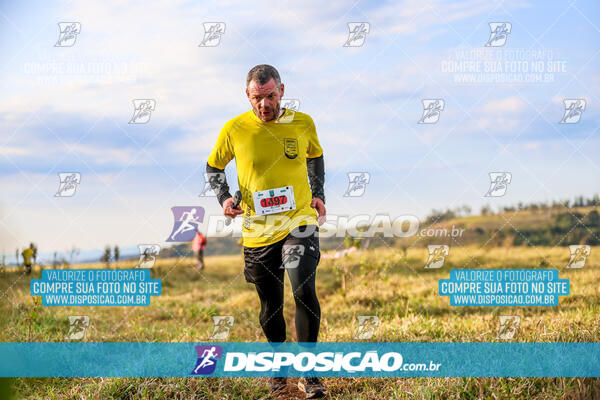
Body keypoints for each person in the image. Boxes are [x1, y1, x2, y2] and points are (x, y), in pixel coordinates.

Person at [206, 65, 327, 398]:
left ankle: (310, 371)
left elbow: (315, 156)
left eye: (271, 96)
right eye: (258, 98)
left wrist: (318, 193)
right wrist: (224, 197)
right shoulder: (234, 129)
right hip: (257, 230)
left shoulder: (302, 123)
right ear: (248, 95)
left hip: (298, 220)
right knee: (270, 306)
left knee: (303, 287)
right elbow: (214, 166)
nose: (265, 105)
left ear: (282, 91)